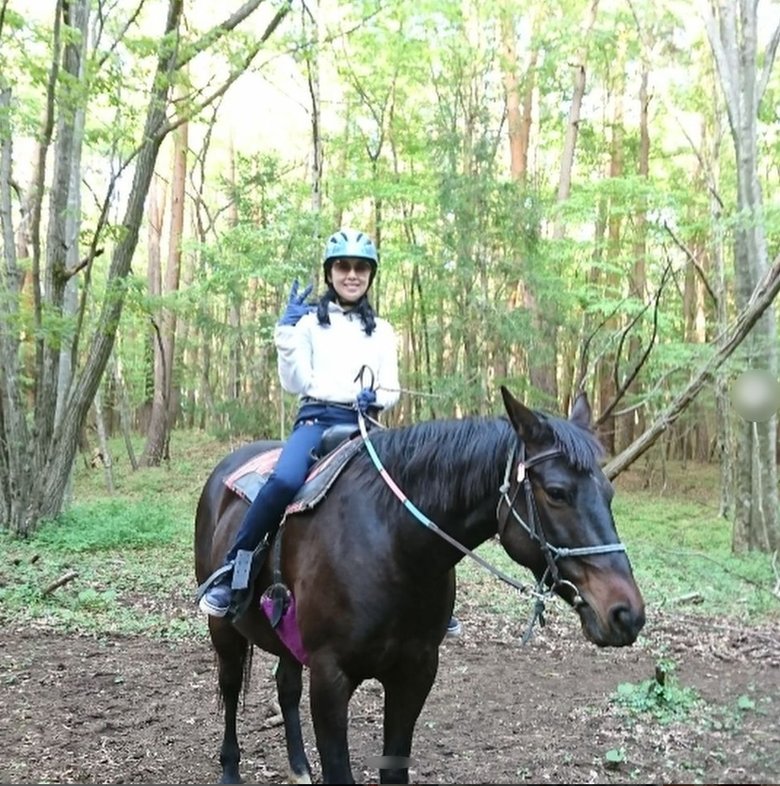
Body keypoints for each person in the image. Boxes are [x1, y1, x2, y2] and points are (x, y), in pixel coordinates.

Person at [198, 227, 463, 637]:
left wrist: (375, 397)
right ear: (330, 273)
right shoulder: (307, 324)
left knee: (411, 493)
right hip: (317, 420)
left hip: (366, 425)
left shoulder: (383, 330)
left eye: (360, 268)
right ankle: (235, 570)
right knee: (283, 481)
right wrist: (286, 335)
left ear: (370, 275)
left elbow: (391, 389)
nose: (352, 275)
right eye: (343, 267)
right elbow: (294, 381)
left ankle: (430, 600)